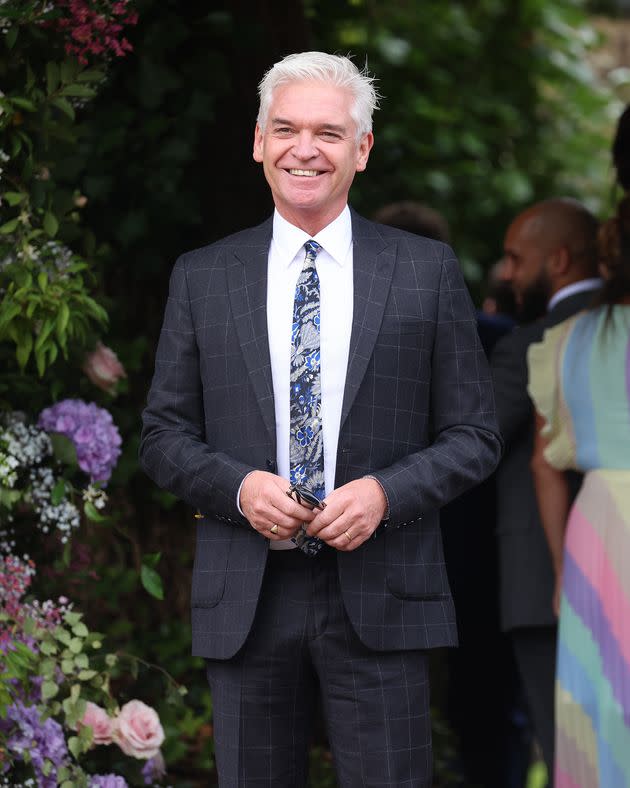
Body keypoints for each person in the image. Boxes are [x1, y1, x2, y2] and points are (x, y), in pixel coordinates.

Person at [139, 51, 502, 787]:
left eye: (329, 134)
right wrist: (239, 489)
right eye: (286, 130)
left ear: (362, 149)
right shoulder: (202, 275)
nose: (305, 149)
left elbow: (475, 435)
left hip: (384, 591)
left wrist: (385, 495)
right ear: (258, 143)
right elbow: (162, 438)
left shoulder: (425, 270)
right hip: (248, 594)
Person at [527, 118, 630, 787]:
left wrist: (565, 570)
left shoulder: (568, 341)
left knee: (598, 702)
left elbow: (544, 463)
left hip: (598, 528)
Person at [491, 198, 601, 782]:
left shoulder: (537, 344)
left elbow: (474, 442)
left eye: (515, 258)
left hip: (543, 576)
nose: (507, 273)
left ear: (557, 260)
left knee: (567, 750)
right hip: (618, 563)